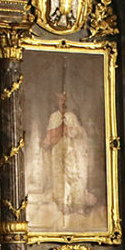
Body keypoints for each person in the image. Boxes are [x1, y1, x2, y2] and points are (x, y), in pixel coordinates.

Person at [39, 91, 92, 225]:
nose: (62, 102)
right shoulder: (54, 117)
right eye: (60, 99)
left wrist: (72, 131)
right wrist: (48, 141)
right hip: (57, 149)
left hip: (70, 149)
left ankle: (76, 204)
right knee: (58, 175)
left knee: (72, 174)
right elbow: (50, 134)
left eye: (64, 99)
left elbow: (79, 131)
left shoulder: (71, 116)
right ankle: (62, 204)